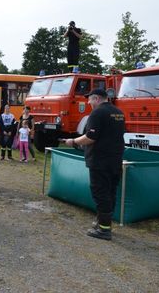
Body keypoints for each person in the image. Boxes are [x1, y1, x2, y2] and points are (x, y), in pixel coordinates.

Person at [64, 88, 125, 241]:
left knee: (100, 193)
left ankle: (104, 230)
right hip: (115, 160)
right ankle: (104, 223)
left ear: (97, 98)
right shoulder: (119, 112)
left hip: (100, 161)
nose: (88, 102)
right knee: (110, 192)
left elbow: (91, 137)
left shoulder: (97, 113)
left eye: (90, 99)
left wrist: (73, 142)